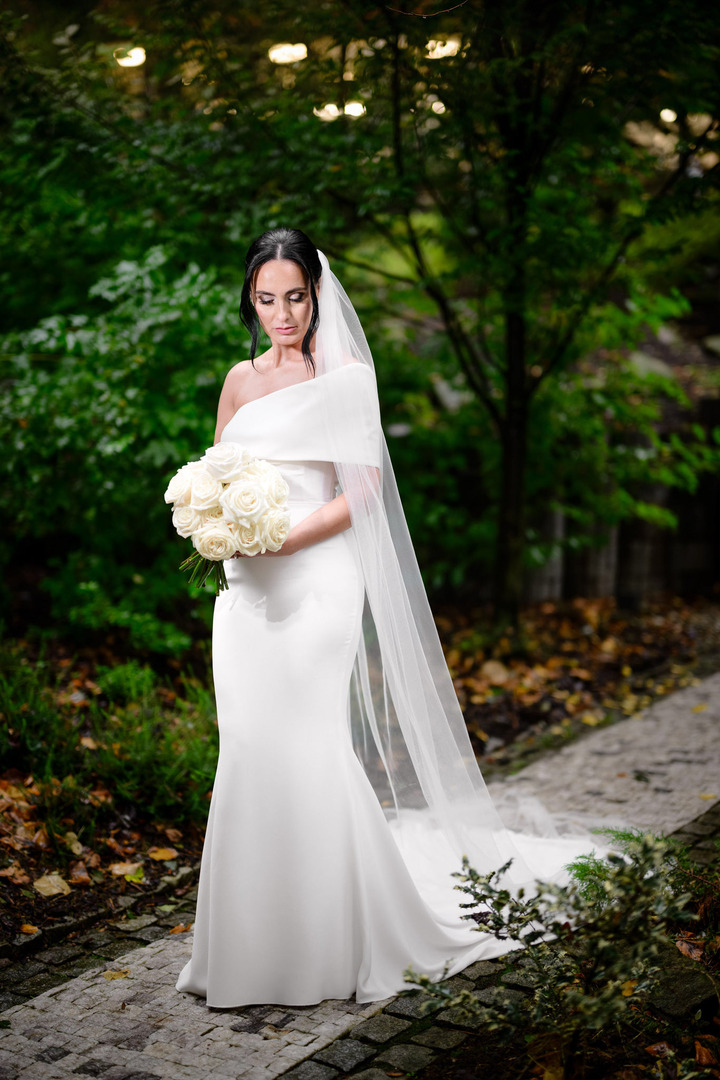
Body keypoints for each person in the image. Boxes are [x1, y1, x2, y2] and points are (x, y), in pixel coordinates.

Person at [175, 227, 599, 1009]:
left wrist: (281, 534)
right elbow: (217, 473)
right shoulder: (237, 379)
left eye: (294, 297)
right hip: (245, 595)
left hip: (318, 583)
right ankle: (247, 945)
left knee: (306, 745)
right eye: (266, 298)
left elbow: (362, 490)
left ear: (316, 293)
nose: (282, 313)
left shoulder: (347, 375)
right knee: (248, 750)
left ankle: (325, 944)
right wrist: (221, 528)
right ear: (251, 298)